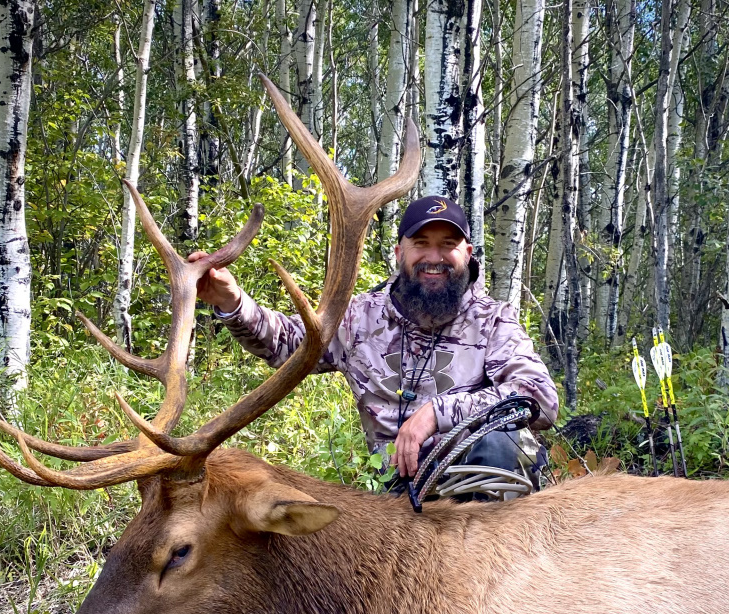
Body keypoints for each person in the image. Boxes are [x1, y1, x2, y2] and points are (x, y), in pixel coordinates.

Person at [192, 195, 559, 484]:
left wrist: (436, 413)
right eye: (421, 244)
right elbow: (287, 344)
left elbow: (538, 397)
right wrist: (231, 301)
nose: (435, 257)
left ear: (467, 253)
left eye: (448, 244)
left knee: (501, 444)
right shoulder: (359, 317)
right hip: (393, 492)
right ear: (400, 253)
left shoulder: (494, 320)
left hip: (478, 492)